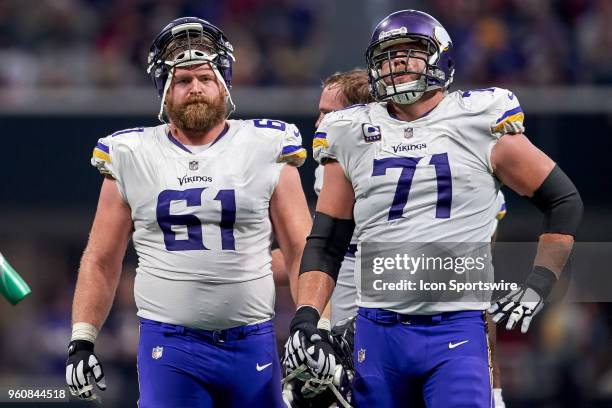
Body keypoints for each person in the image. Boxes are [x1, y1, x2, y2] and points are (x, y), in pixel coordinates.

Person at [283, 9, 582, 408]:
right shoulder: (350, 131)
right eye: (389, 55)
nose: (399, 62)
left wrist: (540, 283)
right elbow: (326, 242)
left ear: (440, 57)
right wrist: (306, 316)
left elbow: (562, 200)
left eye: (412, 51)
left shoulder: (477, 120)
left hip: (454, 329)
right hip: (376, 329)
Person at [64, 17, 311, 407]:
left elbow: (301, 248)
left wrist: (314, 324)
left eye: (205, 78)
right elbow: (101, 259)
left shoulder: (266, 144)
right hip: (171, 347)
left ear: (224, 83)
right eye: (182, 80)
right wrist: (82, 337)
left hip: (253, 341)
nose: (195, 88)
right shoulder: (131, 153)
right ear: (164, 90)